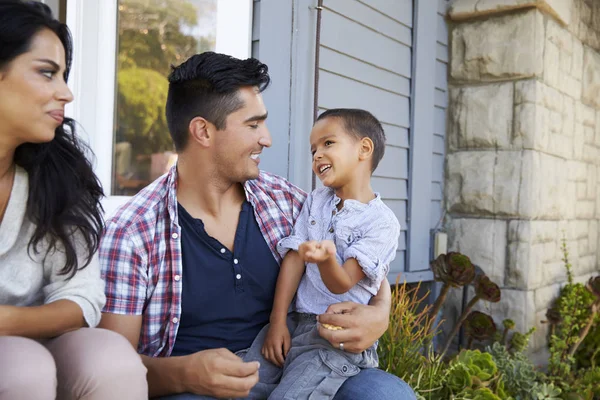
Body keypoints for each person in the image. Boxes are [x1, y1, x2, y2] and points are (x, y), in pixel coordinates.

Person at [99, 51, 415, 399]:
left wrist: (380, 314)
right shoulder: (132, 233)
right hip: (199, 389)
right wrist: (184, 373)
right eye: (253, 125)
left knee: (385, 395)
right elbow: (112, 371)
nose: (266, 138)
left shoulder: (286, 201)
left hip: (299, 361)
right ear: (203, 131)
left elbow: (364, 264)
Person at [0, 1, 148, 399]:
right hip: (22, 367)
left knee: (109, 357)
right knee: (20, 368)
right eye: (47, 73)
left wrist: (5, 321)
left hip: (33, 344)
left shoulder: (56, 177)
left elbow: (81, 299)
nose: (65, 93)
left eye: (64, 75)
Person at [248, 108, 401, 399]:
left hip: (334, 338)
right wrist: (278, 320)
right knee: (242, 384)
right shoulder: (317, 201)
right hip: (295, 324)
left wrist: (327, 258)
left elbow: (342, 283)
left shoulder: (381, 222)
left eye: (328, 143)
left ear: (364, 149)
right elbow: (294, 258)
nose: (317, 155)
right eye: (313, 149)